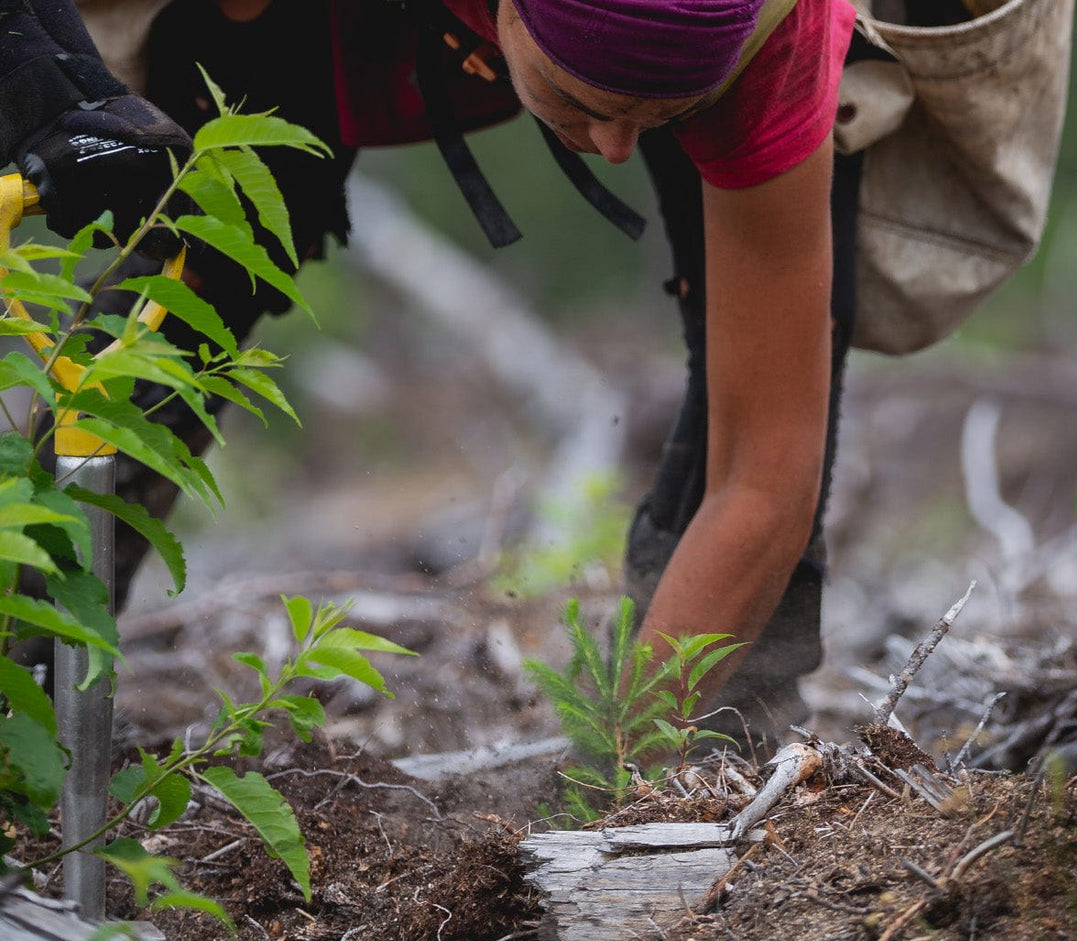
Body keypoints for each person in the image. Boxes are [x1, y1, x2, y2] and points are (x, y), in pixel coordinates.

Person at [2, 0, 872, 745]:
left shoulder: (774, 37)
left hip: (732, 64)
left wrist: (620, 774)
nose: (612, 148)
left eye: (654, 111)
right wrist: (47, 87)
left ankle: (702, 777)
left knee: (758, 373)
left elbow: (764, 473)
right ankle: (22, 691)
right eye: (581, 100)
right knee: (195, 278)